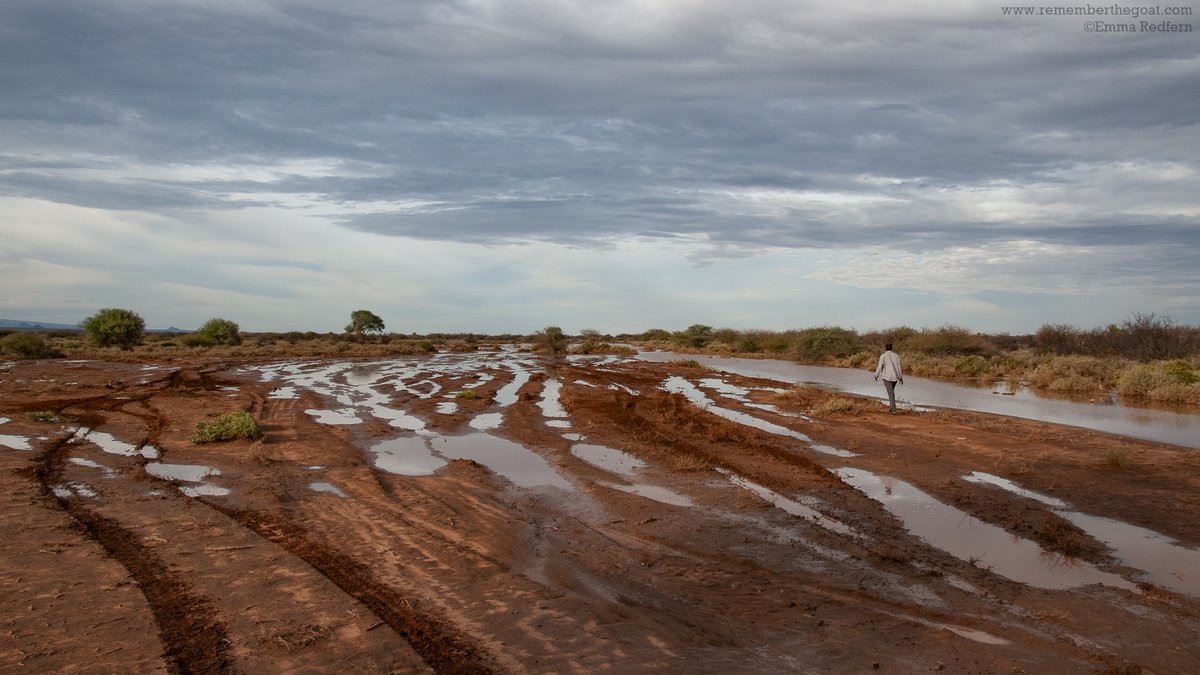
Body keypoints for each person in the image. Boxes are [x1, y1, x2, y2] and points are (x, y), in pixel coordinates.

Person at [874, 343, 904, 414]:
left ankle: (893, 410)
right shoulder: (896, 355)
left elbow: (880, 366)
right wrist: (900, 377)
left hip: (887, 377)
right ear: (892, 348)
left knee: (891, 393)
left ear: (885, 348)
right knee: (891, 392)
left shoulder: (883, 356)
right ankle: (891, 408)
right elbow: (899, 367)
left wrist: (876, 374)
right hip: (895, 377)